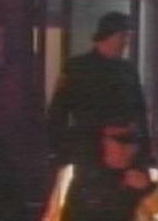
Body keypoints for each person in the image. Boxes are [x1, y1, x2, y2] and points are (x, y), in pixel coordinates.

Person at [47, 11, 149, 164]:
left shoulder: (128, 70)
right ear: (109, 35)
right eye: (123, 36)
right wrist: (59, 151)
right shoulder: (78, 68)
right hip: (89, 152)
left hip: (124, 154)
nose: (126, 42)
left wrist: (144, 148)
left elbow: (139, 111)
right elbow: (58, 113)